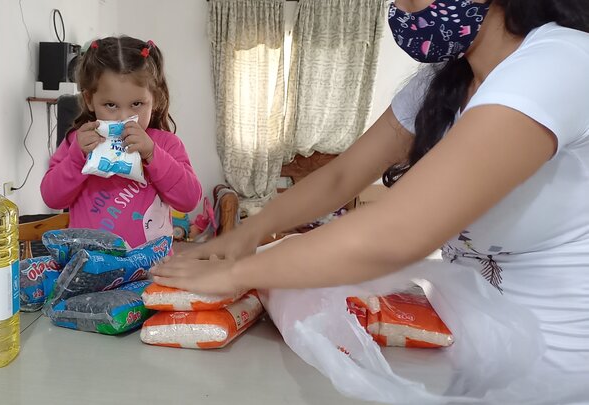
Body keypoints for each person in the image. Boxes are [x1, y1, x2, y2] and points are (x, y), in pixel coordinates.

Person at [153, 0, 589, 376]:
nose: (400, 10)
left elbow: (400, 230)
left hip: (553, 366)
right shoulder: (444, 84)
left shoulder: (559, 61)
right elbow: (342, 177)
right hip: (453, 346)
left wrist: (234, 273)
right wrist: (244, 238)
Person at [40, 36, 203, 249]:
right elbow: (51, 198)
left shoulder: (166, 145)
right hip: (91, 269)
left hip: (152, 270)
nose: (123, 117)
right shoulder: (77, 143)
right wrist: (76, 158)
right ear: (89, 100)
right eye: (111, 105)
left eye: (136, 104)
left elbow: (189, 200)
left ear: (156, 99)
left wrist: (153, 154)